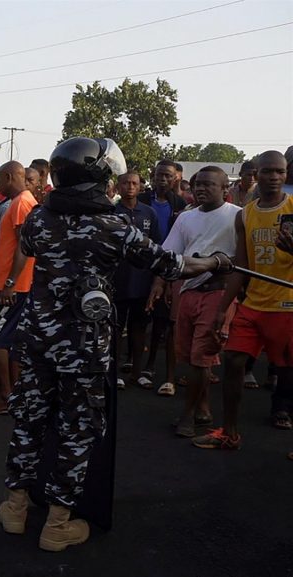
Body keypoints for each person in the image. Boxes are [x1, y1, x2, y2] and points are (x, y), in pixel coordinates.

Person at [0, 137, 232, 552]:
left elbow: (31, 248)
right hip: (85, 348)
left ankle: (15, 508)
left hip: (38, 341)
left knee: (29, 421)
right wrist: (215, 262)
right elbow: (171, 265)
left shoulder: (38, 219)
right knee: (77, 430)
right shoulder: (114, 226)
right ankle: (57, 524)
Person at [192, 151, 293, 449]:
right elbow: (241, 266)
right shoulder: (244, 215)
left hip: (286, 305)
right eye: (268, 171)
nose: (274, 177)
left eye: (280, 171)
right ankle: (229, 433)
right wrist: (222, 309)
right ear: (255, 174)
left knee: (288, 374)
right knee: (233, 361)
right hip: (253, 305)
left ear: (286, 174)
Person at [146, 167, 241, 437]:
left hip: (218, 292)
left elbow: (244, 258)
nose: (201, 188)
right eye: (198, 184)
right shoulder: (185, 218)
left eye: (209, 184)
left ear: (225, 189)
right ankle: (203, 407)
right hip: (187, 291)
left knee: (201, 357)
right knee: (191, 356)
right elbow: (168, 254)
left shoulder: (238, 216)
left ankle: (188, 416)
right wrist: (159, 283)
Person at [0, 162, 36, 415]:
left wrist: (10, 284)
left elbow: (24, 247)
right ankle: (14, 393)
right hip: (14, 284)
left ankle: (6, 396)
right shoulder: (20, 202)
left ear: (7, 176)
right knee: (12, 342)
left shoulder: (21, 203)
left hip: (14, 287)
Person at [137, 160, 187, 392]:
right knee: (139, 313)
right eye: (160, 175)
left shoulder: (181, 204)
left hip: (167, 264)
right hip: (141, 262)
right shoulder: (142, 199)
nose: (163, 179)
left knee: (161, 318)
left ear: (175, 178)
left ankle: (151, 365)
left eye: (168, 175)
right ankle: (134, 361)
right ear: (153, 176)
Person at [112, 171, 161, 389]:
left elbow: (158, 245)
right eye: (126, 183)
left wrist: (157, 279)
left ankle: (137, 372)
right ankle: (114, 372)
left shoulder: (149, 213)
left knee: (139, 328)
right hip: (117, 281)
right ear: (118, 187)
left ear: (141, 186)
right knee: (115, 329)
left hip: (142, 280)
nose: (130, 187)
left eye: (134, 183)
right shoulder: (111, 212)